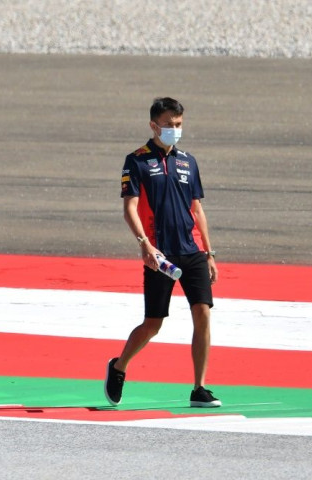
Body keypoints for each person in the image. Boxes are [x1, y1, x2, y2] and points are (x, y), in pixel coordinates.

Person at [104, 97, 221, 408]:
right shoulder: (137, 161)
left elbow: (197, 209)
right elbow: (129, 208)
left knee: (203, 312)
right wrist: (145, 244)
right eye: (169, 125)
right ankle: (119, 366)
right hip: (160, 255)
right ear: (154, 125)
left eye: (179, 125)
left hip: (192, 250)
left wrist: (210, 253)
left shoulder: (189, 162)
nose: (174, 130)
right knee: (153, 324)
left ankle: (199, 387)